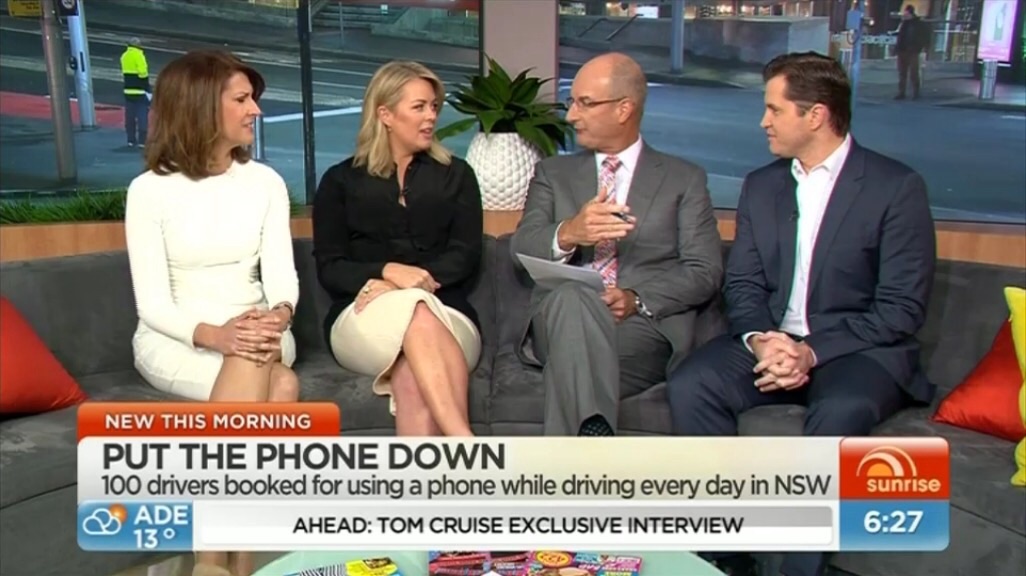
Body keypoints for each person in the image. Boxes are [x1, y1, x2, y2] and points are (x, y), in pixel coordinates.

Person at [665, 52, 937, 576]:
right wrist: (761, 339)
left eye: (774, 109)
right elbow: (743, 283)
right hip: (774, 342)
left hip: (857, 349)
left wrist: (810, 352)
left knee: (841, 409)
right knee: (692, 384)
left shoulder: (895, 187)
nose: (763, 122)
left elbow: (901, 308)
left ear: (816, 115)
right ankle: (725, 555)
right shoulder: (762, 185)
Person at [125, 50, 300, 576]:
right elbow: (152, 304)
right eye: (242, 99)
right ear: (202, 106)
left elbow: (282, 279)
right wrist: (216, 335)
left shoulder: (265, 182)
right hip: (177, 337)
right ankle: (238, 563)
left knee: (253, 351)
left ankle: (209, 562)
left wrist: (279, 316)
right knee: (282, 388)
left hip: (262, 327)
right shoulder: (148, 191)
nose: (256, 111)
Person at [509, 52, 724, 437]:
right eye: (572, 102)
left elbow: (704, 269)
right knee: (574, 297)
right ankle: (592, 448)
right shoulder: (553, 173)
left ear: (624, 109)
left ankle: (577, 457)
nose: (571, 116)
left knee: (574, 365)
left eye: (585, 103)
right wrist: (570, 232)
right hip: (560, 320)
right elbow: (520, 249)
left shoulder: (684, 179)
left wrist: (635, 298)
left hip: (639, 327)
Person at [312, 60, 483, 437]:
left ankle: (440, 465)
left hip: (448, 316)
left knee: (411, 369)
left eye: (434, 106)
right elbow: (331, 267)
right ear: (385, 114)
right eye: (419, 107)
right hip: (362, 316)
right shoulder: (340, 181)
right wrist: (387, 271)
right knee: (415, 309)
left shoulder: (458, 175)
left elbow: (465, 255)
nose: (431, 116)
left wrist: (401, 284)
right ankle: (466, 444)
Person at [894, 5, 931, 100]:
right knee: (903, 73)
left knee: (913, 73)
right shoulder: (905, 24)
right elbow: (900, 38)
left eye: (906, 14)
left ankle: (915, 92)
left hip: (913, 51)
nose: (904, 15)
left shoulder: (917, 24)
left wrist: (920, 47)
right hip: (903, 50)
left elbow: (925, 36)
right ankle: (902, 92)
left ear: (910, 14)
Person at [120, 37, 150, 146]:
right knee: (142, 116)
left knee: (130, 117)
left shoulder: (124, 56)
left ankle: (131, 140)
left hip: (128, 90)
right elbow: (143, 73)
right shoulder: (139, 55)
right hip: (140, 91)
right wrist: (147, 88)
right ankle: (142, 141)